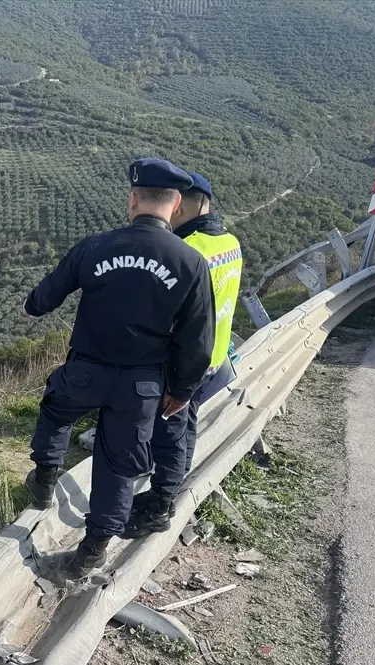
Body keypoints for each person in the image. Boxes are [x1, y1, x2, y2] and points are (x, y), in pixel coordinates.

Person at [24, 158, 215, 577]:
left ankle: (45, 478)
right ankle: (91, 551)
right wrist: (181, 391)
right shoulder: (190, 262)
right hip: (142, 387)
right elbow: (198, 340)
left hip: (86, 372)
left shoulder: (95, 247)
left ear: (132, 200)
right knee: (118, 464)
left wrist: (33, 305)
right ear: (176, 204)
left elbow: (45, 297)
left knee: (57, 409)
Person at [124, 172, 243, 538]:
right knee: (185, 427)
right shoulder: (230, 242)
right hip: (213, 357)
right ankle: (167, 490)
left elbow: (162, 314)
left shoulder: (185, 250)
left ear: (182, 205)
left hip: (182, 360)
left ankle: (159, 506)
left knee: (171, 432)